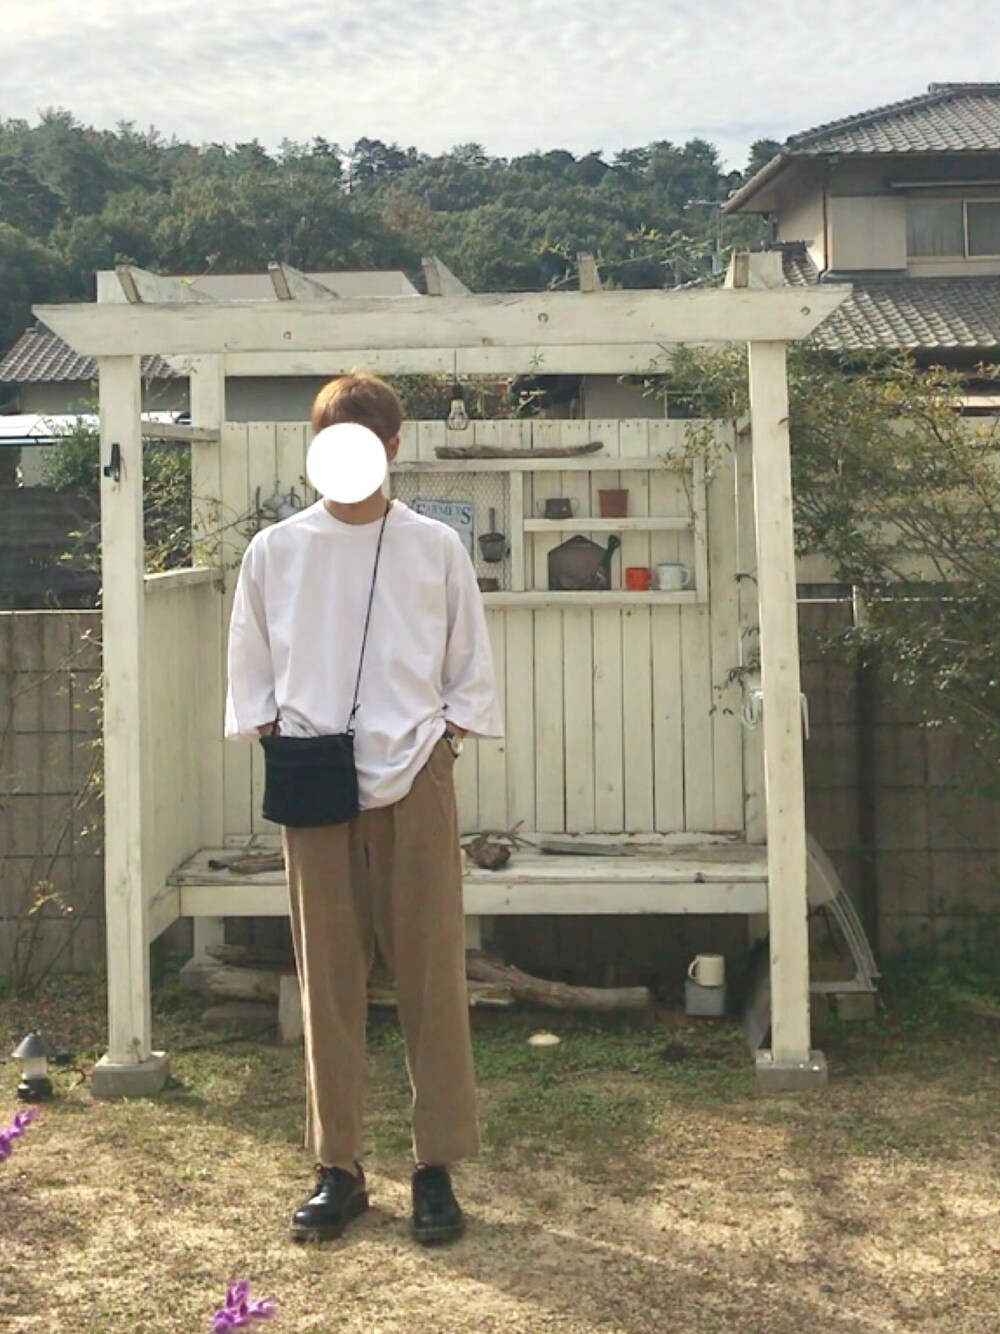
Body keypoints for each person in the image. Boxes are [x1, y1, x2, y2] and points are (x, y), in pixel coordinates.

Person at [225, 372, 503, 1244]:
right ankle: (337, 1166)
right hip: (315, 778)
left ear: (392, 448)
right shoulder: (275, 550)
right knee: (329, 977)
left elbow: (469, 662)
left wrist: (444, 741)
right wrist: (277, 734)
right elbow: (249, 663)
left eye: (365, 442)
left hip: (416, 772)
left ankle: (435, 1166)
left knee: (430, 973)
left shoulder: (433, 547)